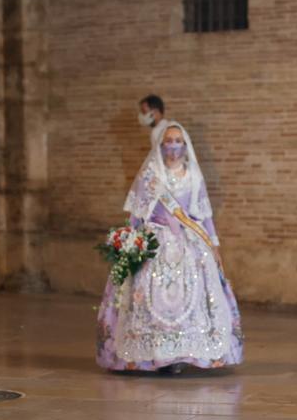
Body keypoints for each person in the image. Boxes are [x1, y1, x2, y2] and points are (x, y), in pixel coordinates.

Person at [97, 121, 243, 373]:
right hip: (155, 238)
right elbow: (136, 215)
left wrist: (214, 245)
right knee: (147, 290)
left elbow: (204, 216)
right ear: (160, 145)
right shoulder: (150, 176)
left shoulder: (193, 176)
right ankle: (151, 354)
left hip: (189, 241)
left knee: (196, 293)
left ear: (185, 146)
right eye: (168, 141)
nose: (173, 146)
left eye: (178, 141)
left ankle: (184, 355)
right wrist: (129, 243)